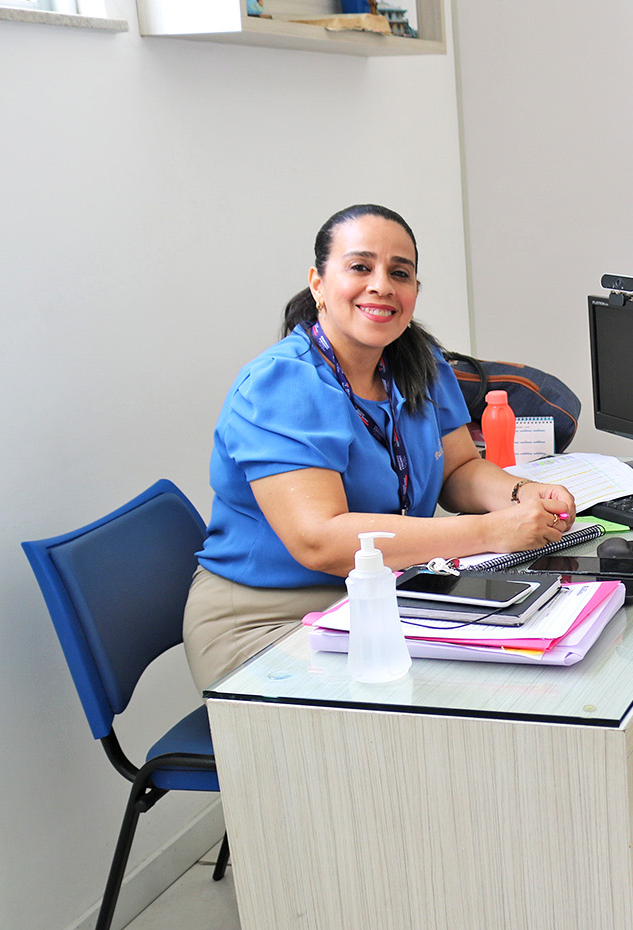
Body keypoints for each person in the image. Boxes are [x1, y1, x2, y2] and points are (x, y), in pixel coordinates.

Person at [183, 204, 576, 689]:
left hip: (385, 597)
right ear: (318, 283)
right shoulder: (281, 384)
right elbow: (320, 540)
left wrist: (521, 494)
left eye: (399, 273)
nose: (382, 286)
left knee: (518, 676)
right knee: (446, 703)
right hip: (271, 617)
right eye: (360, 267)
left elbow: (457, 470)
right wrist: (492, 532)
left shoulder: (418, 362)